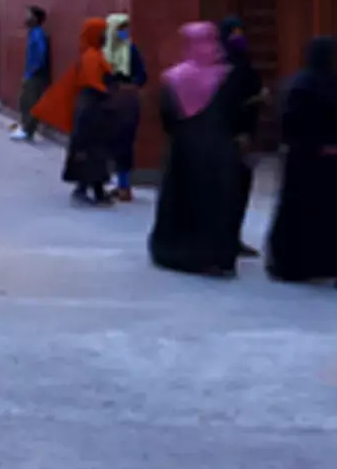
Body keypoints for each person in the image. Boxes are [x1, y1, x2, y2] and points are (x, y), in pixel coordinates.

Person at [265, 35, 337, 291]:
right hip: (336, 159)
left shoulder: (297, 85)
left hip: (303, 161)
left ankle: (296, 266)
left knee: (300, 214)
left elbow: (287, 122)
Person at [148, 21, 248, 276]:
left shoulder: (174, 78)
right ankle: (218, 257)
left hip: (184, 149)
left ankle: (180, 253)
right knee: (217, 201)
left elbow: (167, 116)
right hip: (219, 148)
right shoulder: (227, 76)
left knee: (184, 200)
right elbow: (237, 113)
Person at [39, 17, 115, 204]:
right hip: (91, 108)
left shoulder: (94, 55)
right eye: (103, 33)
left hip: (93, 106)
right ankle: (84, 189)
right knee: (90, 149)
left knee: (95, 150)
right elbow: (93, 83)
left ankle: (96, 189)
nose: (106, 37)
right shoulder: (91, 57)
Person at [217, 17, 265, 257]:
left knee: (241, 190)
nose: (238, 38)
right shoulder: (221, 68)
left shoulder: (244, 64)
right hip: (228, 138)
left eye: (241, 32)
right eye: (233, 33)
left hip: (246, 137)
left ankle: (233, 237)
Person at [101, 14, 148, 204]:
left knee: (125, 144)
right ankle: (107, 183)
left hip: (126, 103)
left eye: (126, 27)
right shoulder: (103, 53)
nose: (124, 32)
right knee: (106, 144)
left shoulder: (131, 50)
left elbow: (142, 75)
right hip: (107, 102)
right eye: (120, 28)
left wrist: (131, 85)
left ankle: (124, 185)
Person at [10, 5, 51, 142]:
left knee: (31, 102)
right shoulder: (33, 33)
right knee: (24, 100)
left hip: (35, 75)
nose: (25, 17)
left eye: (28, 14)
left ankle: (28, 130)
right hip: (30, 73)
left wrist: (34, 70)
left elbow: (41, 54)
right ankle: (25, 127)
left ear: (35, 18)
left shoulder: (38, 34)